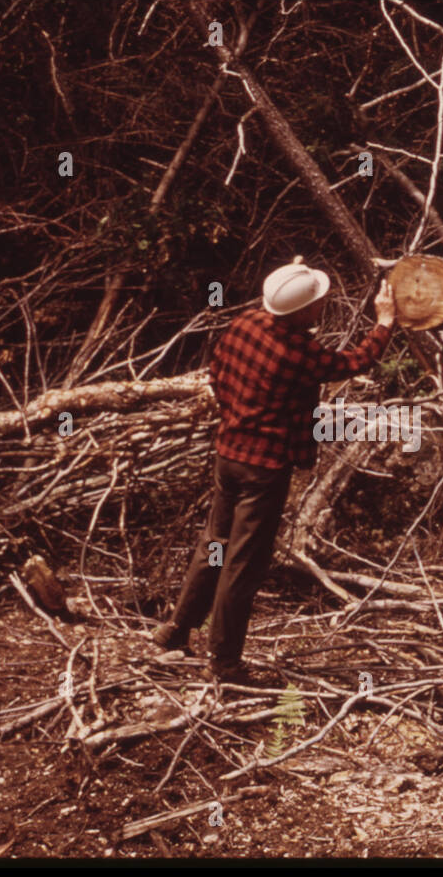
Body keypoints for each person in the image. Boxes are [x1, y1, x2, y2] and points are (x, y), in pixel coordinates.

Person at [151, 257, 397, 685]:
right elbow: (352, 364)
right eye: (316, 303)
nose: (322, 307)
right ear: (299, 312)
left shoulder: (244, 324)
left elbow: (216, 374)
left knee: (216, 544)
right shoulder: (298, 351)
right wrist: (385, 323)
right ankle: (225, 662)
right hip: (264, 469)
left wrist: (291, 274)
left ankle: (177, 628)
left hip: (229, 455)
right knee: (242, 564)